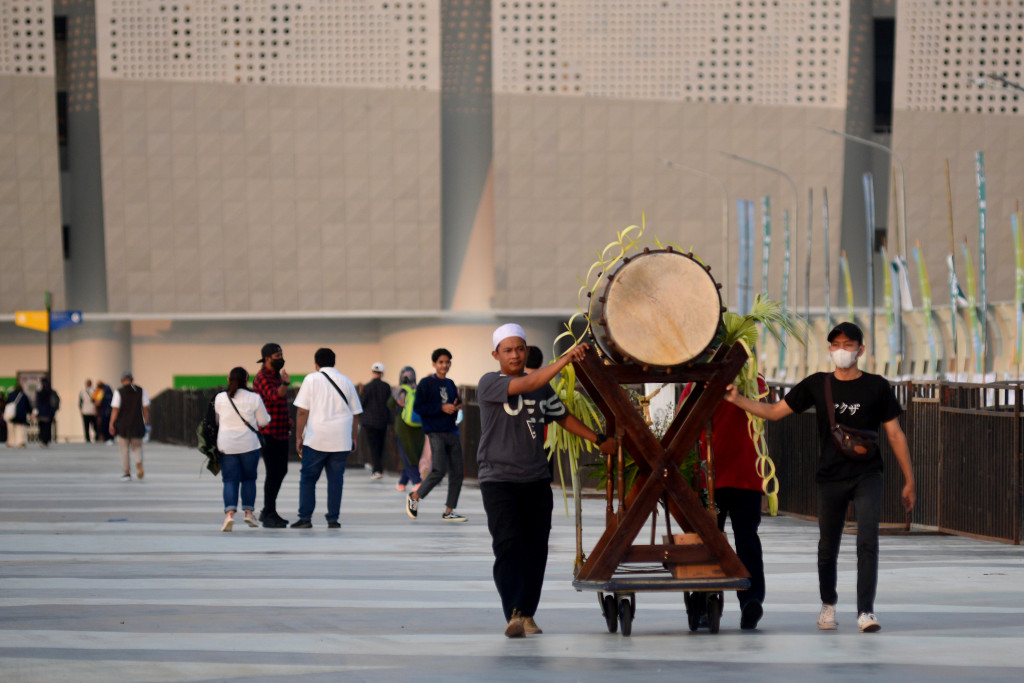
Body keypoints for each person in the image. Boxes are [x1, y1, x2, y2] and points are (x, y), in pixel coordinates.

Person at [724, 321, 915, 633]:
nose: (842, 350)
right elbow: (774, 412)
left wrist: (910, 480)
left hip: (868, 473)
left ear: (861, 350)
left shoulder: (877, 386)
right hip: (830, 476)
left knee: (868, 540)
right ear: (829, 350)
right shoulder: (817, 384)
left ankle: (866, 611)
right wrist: (737, 400)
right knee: (828, 545)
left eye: (849, 344)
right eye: (837, 344)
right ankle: (828, 604)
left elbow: (895, 434)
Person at [478, 324, 618, 637]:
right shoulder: (489, 383)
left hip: (536, 479)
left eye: (519, 349)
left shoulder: (541, 387)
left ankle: (527, 613)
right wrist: (567, 359)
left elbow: (562, 416)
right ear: (496, 355)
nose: (515, 355)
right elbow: (529, 383)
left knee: (536, 549)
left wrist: (598, 438)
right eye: (508, 350)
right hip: (498, 479)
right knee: (508, 545)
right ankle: (513, 613)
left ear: (526, 351)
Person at [682, 375, 769, 630]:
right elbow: (684, 423)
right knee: (711, 542)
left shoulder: (752, 382)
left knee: (743, 540)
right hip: (711, 475)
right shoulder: (695, 386)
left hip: (740, 475)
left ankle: (750, 601)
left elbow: (763, 406)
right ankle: (703, 601)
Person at [291, 347, 363, 529]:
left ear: (316, 364)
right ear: (334, 362)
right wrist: (354, 438)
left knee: (308, 479)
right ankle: (333, 519)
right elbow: (355, 414)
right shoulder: (346, 381)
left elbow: (301, 411)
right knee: (336, 480)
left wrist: (299, 437)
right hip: (341, 440)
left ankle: (305, 518)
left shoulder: (311, 379)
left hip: (316, 439)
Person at [405, 348, 466, 522]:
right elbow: (419, 408)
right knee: (439, 470)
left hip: (451, 431)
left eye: (447, 362)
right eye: (441, 362)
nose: (444, 365)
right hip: (435, 432)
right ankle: (415, 496)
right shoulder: (425, 383)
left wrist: (456, 406)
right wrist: (440, 407)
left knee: (457, 472)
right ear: (434, 364)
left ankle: (449, 511)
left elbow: (455, 402)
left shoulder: (451, 383)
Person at [214, 367, 271, 531]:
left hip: (226, 445)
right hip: (249, 445)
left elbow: (217, 420)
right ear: (247, 379)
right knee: (248, 479)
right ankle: (248, 513)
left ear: (228, 378)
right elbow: (263, 421)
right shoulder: (254, 398)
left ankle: (229, 515)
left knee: (230, 480)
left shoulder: (220, 398)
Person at [253, 343, 292, 528]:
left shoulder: (276, 375)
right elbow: (274, 396)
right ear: (267, 358)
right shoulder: (261, 377)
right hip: (268, 433)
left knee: (281, 470)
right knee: (273, 472)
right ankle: (269, 511)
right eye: (277, 355)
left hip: (281, 431)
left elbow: (282, 401)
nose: (280, 358)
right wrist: (285, 384)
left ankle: (269, 510)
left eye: (281, 355)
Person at [109, 371, 151, 481]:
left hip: (123, 425)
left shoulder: (119, 392)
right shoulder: (141, 391)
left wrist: (111, 423)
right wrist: (147, 421)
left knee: (124, 449)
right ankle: (139, 464)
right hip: (137, 424)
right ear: (132, 379)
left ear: (122, 380)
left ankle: (127, 473)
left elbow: (115, 409)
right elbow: (145, 408)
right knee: (137, 447)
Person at [389, 366, 424, 492]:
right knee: (413, 453)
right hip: (418, 425)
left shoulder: (400, 390)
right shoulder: (418, 389)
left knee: (407, 454)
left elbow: (389, 404)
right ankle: (402, 482)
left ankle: (417, 481)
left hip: (403, 425)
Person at [359, 361, 392, 480]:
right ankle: (379, 469)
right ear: (382, 373)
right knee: (381, 445)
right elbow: (390, 405)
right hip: (382, 421)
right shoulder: (386, 387)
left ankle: (376, 470)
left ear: (372, 372)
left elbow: (361, 403)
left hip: (369, 422)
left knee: (373, 446)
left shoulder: (367, 387)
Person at [34, 377, 59, 447]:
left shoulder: (39, 393)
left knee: (42, 427)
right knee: (47, 427)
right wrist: (54, 411)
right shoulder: (52, 392)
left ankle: (42, 440)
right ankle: (46, 440)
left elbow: (36, 403)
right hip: (49, 413)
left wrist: (36, 412)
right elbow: (56, 402)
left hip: (41, 413)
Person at [5, 383, 30, 448]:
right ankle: (20, 442)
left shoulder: (10, 395)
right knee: (20, 429)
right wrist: (30, 412)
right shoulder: (24, 395)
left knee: (11, 429)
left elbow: (6, 404)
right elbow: (27, 406)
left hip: (11, 414)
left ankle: (11, 442)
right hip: (21, 415)